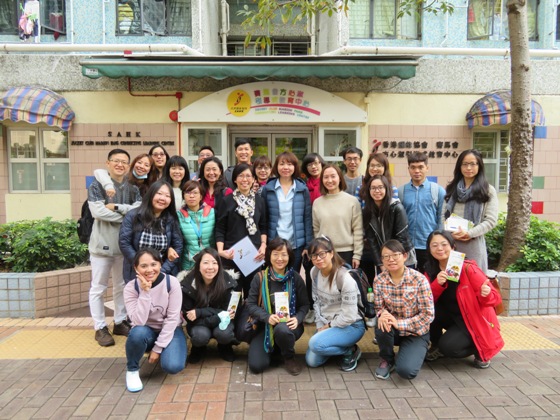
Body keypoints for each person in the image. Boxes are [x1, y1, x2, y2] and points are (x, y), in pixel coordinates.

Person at [424, 230, 504, 368]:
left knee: (449, 348)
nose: (440, 249)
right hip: (452, 316)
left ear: (453, 247)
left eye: (444, 244)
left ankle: (481, 348)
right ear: (429, 249)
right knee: (428, 312)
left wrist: (486, 293)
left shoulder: (467, 268)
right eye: (434, 245)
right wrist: (437, 284)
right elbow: (426, 301)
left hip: (472, 318)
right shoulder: (429, 269)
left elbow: (495, 299)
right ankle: (436, 345)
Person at [88, 149, 141, 347]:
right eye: (116, 161)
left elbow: (137, 210)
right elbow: (97, 212)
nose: (120, 165)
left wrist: (118, 208)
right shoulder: (97, 185)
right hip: (101, 246)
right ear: (108, 163)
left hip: (123, 245)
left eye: (124, 162)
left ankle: (120, 321)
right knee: (98, 288)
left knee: (121, 286)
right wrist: (126, 215)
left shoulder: (133, 188)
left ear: (128, 166)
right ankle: (99, 326)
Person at [123, 248, 186, 393]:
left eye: (154, 264)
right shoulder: (131, 288)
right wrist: (145, 292)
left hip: (171, 329)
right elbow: (138, 322)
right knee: (137, 333)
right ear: (136, 268)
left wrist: (157, 349)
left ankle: (166, 349)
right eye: (143, 266)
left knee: (172, 366)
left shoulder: (172, 283)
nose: (149, 270)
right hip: (146, 331)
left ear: (160, 264)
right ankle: (132, 370)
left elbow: (172, 319)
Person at [246, 238, 310, 375]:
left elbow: (305, 305)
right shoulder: (260, 278)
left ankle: (288, 357)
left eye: (284, 254)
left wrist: (298, 318)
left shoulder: (296, 278)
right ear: (269, 255)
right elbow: (250, 305)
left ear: (290, 256)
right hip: (265, 325)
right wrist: (267, 317)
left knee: (282, 330)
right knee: (257, 366)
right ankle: (275, 350)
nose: (279, 258)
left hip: (289, 325)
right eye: (275, 254)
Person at [373, 240, 434, 380]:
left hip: (416, 332)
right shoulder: (379, 280)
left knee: (406, 371)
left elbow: (428, 315)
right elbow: (379, 307)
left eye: (395, 255)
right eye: (386, 256)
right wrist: (382, 314)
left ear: (405, 256)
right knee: (381, 324)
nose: (391, 260)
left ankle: (415, 351)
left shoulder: (419, 279)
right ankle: (387, 359)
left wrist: (398, 323)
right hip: (393, 330)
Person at [305, 236, 365, 372]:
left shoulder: (344, 278)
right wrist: (320, 325)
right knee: (311, 361)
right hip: (327, 323)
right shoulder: (314, 272)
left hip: (352, 325)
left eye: (322, 254)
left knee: (315, 344)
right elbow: (317, 302)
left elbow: (349, 316)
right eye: (314, 256)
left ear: (331, 253)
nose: (318, 259)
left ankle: (351, 350)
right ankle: (341, 348)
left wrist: (328, 326)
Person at [215, 163, 267, 298]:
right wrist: (221, 251)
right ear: (234, 179)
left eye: (248, 176)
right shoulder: (226, 201)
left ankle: (251, 319)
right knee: (233, 294)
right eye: (241, 176)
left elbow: (263, 226)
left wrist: (263, 245)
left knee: (253, 294)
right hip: (231, 255)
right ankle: (234, 319)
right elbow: (220, 228)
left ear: (254, 179)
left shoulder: (259, 201)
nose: (245, 179)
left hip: (254, 255)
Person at [443, 149, 498, 273]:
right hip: (452, 244)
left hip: (474, 244)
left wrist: (470, 233)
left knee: (474, 282)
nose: (469, 168)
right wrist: (449, 235)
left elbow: (491, 221)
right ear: (459, 166)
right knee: (453, 280)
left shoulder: (487, 190)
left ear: (479, 166)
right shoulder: (451, 189)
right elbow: (442, 216)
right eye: (465, 164)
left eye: (473, 164)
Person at [181, 248, 238, 363]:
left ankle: (225, 346)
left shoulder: (228, 282)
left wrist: (199, 312)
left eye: (214, 263)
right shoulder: (187, 284)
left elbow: (229, 313)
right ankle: (198, 348)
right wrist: (217, 315)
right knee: (200, 336)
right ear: (198, 265)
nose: (210, 267)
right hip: (198, 324)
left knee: (224, 334)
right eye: (205, 263)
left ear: (219, 265)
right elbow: (189, 317)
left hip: (220, 321)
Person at [119, 180, 183, 282]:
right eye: (159, 193)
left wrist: (161, 271)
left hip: (163, 274)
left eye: (167, 195)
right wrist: (142, 267)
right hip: (136, 273)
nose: (163, 198)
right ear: (151, 194)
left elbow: (178, 246)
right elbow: (124, 243)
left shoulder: (171, 220)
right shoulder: (133, 215)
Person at [261, 152, 312, 272]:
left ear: (295, 167)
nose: (285, 167)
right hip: (274, 244)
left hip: (296, 244)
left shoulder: (302, 189)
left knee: (293, 279)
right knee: (275, 279)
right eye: (282, 164)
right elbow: (264, 219)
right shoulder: (268, 189)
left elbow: (307, 219)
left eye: (289, 164)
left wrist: (307, 245)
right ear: (276, 167)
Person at [398, 152, 445, 274]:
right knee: (408, 281)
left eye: (420, 167)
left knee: (430, 281)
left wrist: (439, 242)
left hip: (429, 246)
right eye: (413, 167)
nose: (417, 171)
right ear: (408, 169)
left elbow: (441, 218)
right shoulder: (401, 191)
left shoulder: (437, 190)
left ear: (427, 168)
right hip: (407, 247)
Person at [363, 175, 415, 280]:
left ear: (387, 189)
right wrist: (381, 263)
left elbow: (401, 239)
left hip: (402, 257)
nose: (377, 191)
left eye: (381, 187)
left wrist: (393, 260)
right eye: (373, 188)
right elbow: (372, 242)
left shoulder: (396, 208)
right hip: (383, 259)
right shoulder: (367, 211)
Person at [312, 164, 363, 268]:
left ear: (340, 178)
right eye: (326, 177)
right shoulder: (317, 203)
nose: (329, 180)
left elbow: (358, 230)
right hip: (324, 253)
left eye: (333, 176)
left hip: (347, 253)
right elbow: (316, 229)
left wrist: (357, 255)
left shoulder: (352, 201)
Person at [301, 152, 325, 324]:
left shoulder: (327, 183)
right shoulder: (303, 187)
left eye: (317, 163)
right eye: (310, 164)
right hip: (308, 235)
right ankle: (310, 307)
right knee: (311, 273)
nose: (314, 166)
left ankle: (326, 308)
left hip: (326, 234)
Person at [177, 180, 215, 271]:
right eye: (188, 193)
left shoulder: (212, 213)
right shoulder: (179, 215)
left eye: (195, 193)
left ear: (201, 196)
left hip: (210, 262)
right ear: (183, 196)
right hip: (188, 263)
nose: (191, 196)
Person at [93, 153, 157, 199]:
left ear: (150, 169)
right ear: (133, 164)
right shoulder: (122, 179)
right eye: (139, 163)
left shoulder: (153, 186)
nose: (141, 166)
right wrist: (108, 186)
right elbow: (99, 172)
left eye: (146, 165)